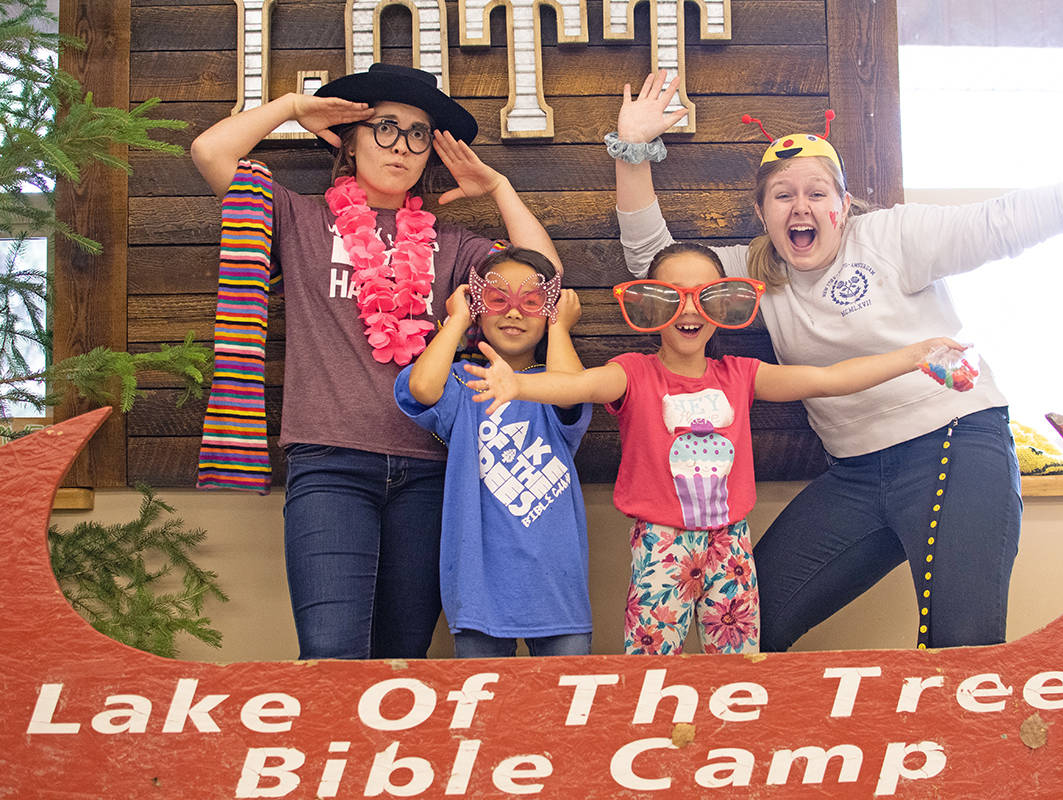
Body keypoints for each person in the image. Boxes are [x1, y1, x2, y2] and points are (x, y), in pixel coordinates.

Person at [608, 70, 1063, 651]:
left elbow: (1004, 222)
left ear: (843, 205)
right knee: (749, 624)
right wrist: (633, 150)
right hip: (855, 472)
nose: (800, 206)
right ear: (764, 213)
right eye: (783, 195)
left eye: (817, 193)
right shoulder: (756, 274)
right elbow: (654, 268)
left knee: (963, 645)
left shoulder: (892, 237)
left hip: (955, 444)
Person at [190, 63, 561, 660]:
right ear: (352, 139)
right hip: (330, 465)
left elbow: (546, 284)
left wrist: (498, 189)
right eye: (385, 127)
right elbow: (209, 150)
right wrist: (290, 107)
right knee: (331, 655)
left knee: (402, 660)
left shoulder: (455, 243)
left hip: (430, 474)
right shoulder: (298, 218)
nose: (402, 146)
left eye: (419, 134)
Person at [464, 242, 966, 655]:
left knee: (737, 661)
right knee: (651, 661)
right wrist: (520, 386)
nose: (687, 310)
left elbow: (828, 378)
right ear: (649, 307)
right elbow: (578, 387)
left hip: (732, 542)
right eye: (670, 297)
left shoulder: (740, 376)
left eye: (705, 296)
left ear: (724, 306)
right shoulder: (634, 373)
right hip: (660, 542)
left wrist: (915, 355)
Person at [394, 247, 592, 658]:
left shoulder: (555, 386)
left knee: (563, 712)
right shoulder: (465, 384)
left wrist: (560, 329)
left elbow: (571, 388)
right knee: (483, 715)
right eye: (498, 300)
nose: (515, 313)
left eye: (534, 302)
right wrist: (457, 321)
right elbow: (422, 388)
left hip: (556, 585)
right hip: (478, 584)